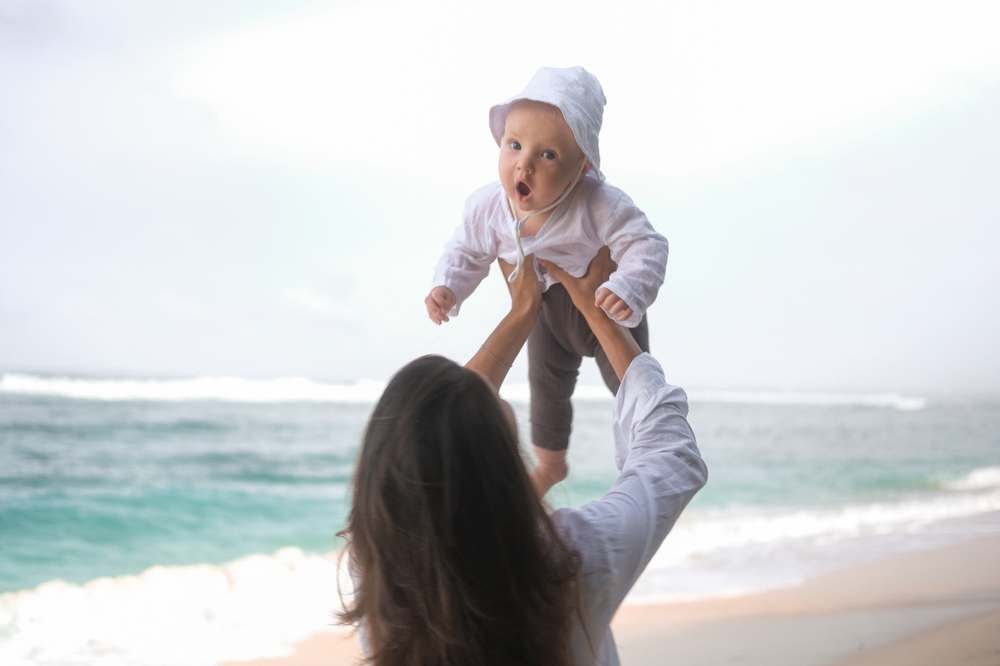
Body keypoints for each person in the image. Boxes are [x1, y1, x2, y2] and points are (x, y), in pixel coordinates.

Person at [346, 249, 707, 666]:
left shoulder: (376, 577)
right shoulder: (571, 560)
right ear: (499, 467)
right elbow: (670, 454)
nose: (489, 388)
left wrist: (523, 311)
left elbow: (442, 435)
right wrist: (596, 313)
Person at [425, 66, 670, 497]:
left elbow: (647, 245)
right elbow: (466, 249)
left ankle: (642, 464)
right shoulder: (489, 208)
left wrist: (628, 288)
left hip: (604, 308)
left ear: (582, 167)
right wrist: (448, 286)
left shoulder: (599, 203)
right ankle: (551, 466)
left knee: (633, 390)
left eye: (548, 155)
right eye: (514, 145)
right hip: (545, 319)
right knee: (546, 396)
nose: (525, 163)